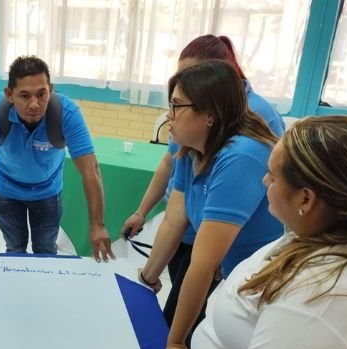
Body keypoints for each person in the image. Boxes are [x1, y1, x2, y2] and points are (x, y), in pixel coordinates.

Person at [189, 116, 347, 349]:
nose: (265, 180)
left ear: (305, 199)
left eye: (273, 176)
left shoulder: (327, 295)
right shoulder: (314, 235)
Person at [138, 60, 283, 349]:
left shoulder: (240, 156)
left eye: (177, 106)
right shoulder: (190, 148)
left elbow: (203, 263)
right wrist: (146, 279)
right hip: (236, 274)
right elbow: (174, 219)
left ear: (210, 115)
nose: (169, 115)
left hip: (267, 286)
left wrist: (176, 341)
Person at [121, 33, 285, 253]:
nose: (183, 85)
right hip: (189, 226)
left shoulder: (251, 130)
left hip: (229, 239)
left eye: (192, 77)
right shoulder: (189, 132)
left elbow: (242, 193)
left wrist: (216, 256)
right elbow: (171, 163)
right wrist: (142, 212)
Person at [0, 55, 114, 262]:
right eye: (24, 96)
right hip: (6, 191)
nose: (34, 104)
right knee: (14, 250)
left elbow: (91, 170)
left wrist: (97, 226)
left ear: (50, 90)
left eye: (41, 94)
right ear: (9, 94)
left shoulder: (66, 113)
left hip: (47, 193)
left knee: (45, 253)